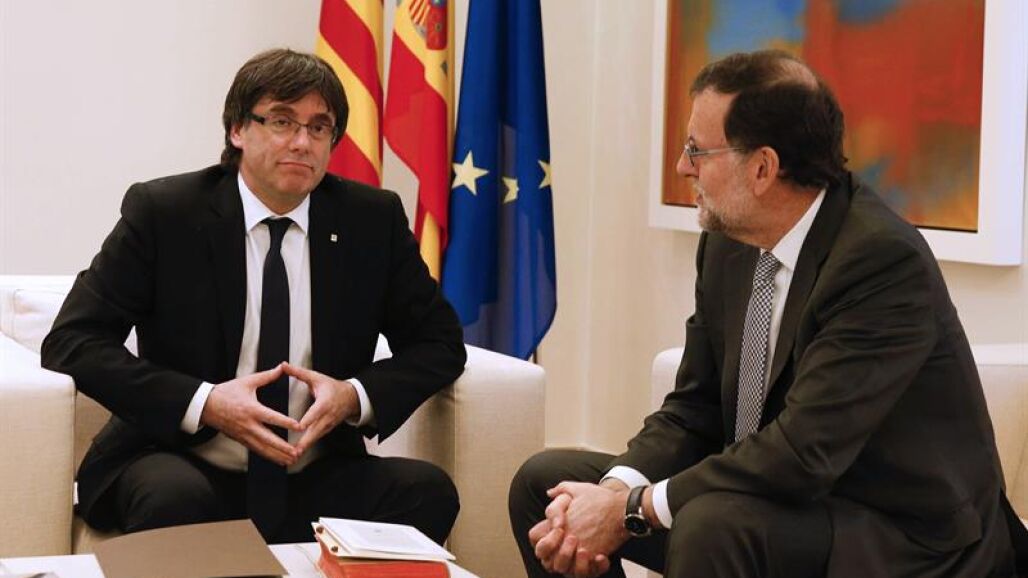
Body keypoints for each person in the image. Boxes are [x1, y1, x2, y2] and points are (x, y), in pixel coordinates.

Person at [509, 50, 1025, 577]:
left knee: (711, 524)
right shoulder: (728, 243)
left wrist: (632, 510)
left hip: (900, 535)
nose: (683, 166)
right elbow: (693, 409)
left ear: (762, 168)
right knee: (548, 487)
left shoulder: (880, 261)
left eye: (696, 149)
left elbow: (803, 452)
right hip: (775, 507)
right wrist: (611, 493)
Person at [41, 48, 465, 545]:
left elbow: (439, 343)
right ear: (237, 130)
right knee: (174, 499)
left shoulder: (371, 221)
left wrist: (354, 395)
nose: (302, 142)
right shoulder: (166, 213)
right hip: (180, 457)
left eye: (319, 127)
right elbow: (73, 340)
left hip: (311, 471)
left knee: (427, 492)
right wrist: (205, 403)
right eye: (282, 121)